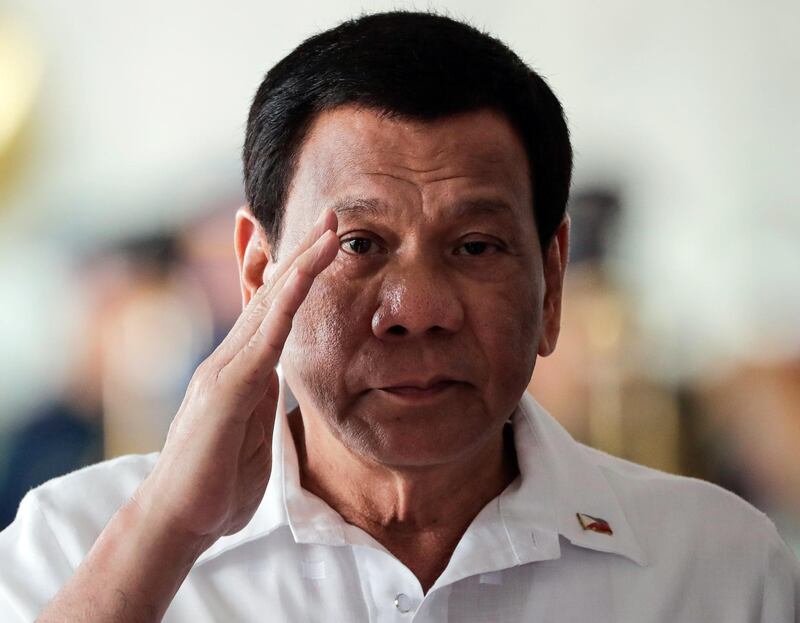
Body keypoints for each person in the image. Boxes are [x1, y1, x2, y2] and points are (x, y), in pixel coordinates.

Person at [1, 11, 798, 622]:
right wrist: (171, 529)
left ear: (552, 282)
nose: (417, 309)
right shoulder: (77, 543)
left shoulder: (717, 567)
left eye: (477, 246)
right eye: (358, 243)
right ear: (257, 275)